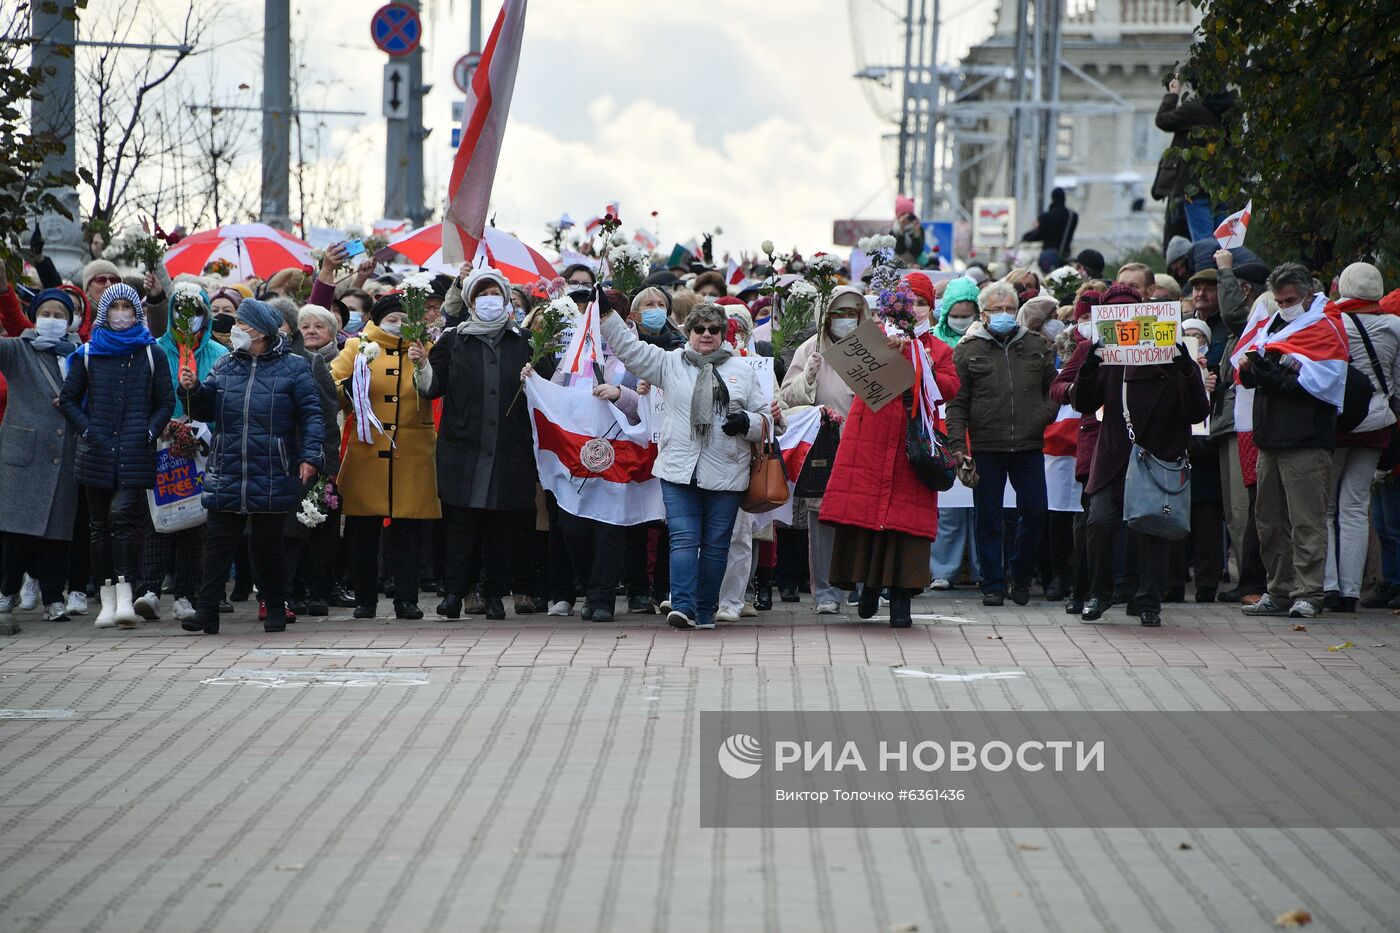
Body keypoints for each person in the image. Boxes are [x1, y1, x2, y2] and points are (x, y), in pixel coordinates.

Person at [599, 298, 768, 630]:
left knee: (717, 544)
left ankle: (706, 611)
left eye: (714, 329)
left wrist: (746, 422)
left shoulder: (742, 371)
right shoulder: (669, 363)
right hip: (679, 468)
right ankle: (684, 606)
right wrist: (607, 315)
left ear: (723, 334)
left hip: (727, 471)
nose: (706, 334)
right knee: (684, 538)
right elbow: (630, 350)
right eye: (699, 329)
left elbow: (766, 421)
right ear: (688, 332)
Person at [176, 298, 323, 635]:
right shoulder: (226, 365)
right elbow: (204, 409)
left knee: (268, 543)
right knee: (217, 542)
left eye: (243, 324)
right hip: (228, 465)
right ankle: (206, 611)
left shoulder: (294, 367)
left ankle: (274, 607)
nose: (236, 330)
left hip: (272, 465)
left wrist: (310, 456)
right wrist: (192, 388)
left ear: (260, 332)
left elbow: (312, 415)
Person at [1071, 282, 1211, 626]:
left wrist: (1185, 367)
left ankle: (1148, 601)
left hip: (1159, 453)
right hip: (1114, 455)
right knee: (1100, 522)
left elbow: (1197, 411)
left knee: (1153, 528)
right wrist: (1090, 363)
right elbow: (1083, 402)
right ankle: (1099, 594)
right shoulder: (1108, 358)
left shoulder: (1171, 354)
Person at [819, 311, 960, 627]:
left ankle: (900, 600)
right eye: (913, 305)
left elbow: (949, 387)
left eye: (924, 303)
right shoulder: (876, 339)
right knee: (867, 517)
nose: (918, 311)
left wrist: (925, 364)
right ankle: (867, 586)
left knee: (905, 524)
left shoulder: (938, 348)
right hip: (870, 438)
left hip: (914, 445)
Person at [416, 267, 538, 621]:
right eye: (482, 294)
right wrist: (422, 364)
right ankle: (455, 592)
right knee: (461, 526)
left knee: (501, 527)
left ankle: (495, 594)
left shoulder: (524, 339)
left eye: (495, 293)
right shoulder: (453, 340)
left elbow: (547, 387)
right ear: (470, 300)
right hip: (463, 448)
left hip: (508, 448)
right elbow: (432, 387)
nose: (489, 300)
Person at [58, 284, 175, 628]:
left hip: (135, 450)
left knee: (123, 518)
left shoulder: (152, 353)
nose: (121, 313)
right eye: (115, 307)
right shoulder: (89, 353)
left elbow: (165, 401)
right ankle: (106, 598)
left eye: (127, 306)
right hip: (96, 452)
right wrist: (89, 430)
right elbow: (68, 399)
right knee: (98, 527)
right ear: (105, 312)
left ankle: (126, 593)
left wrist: (150, 430)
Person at [1237, 263, 1348, 620]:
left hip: (1307, 437)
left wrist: (1280, 378)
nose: (1285, 305)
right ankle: (1279, 589)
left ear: (1308, 293)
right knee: (1268, 520)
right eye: (1280, 300)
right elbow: (1255, 369)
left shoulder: (1325, 324)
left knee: (1306, 520)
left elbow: (1326, 380)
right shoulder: (1273, 325)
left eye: (1291, 299)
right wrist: (1256, 371)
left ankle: (1309, 592)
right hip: (1270, 435)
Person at [944, 281, 1058, 606]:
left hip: (1028, 445)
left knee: (1035, 512)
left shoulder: (1036, 344)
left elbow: (1055, 386)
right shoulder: (967, 350)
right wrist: (957, 447)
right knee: (988, 517)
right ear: (984, 314)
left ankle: (1019, 577)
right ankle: (992, 583)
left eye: (1010, 308)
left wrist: (1043, 415)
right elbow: (957, 402)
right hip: (986, 446)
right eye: (998, 310)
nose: (1005, 314)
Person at [331, 292, 440, 620]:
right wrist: (352, 386)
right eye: (392, 319)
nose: (398, 325)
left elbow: (433, 389)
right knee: (364, 532)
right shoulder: (357, 347)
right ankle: (365, 600)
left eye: (405, 320)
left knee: (408, 532)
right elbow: (332, 383)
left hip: (412, 451)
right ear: (378, 320)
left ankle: (406, 599)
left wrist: (423, 363)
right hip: (367, 452)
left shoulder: (423, 347)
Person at [136, 284, 230, 623]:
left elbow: (223, 399)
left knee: (194, 521)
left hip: (203, 445)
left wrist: (202, 428)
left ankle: (186, 595)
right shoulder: (156, 350)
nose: (186, 317)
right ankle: (149, 589)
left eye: (196, 310)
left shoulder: (219, 354)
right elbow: (146, 394)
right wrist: (162, 423)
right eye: (181, 309)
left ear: (206, 314)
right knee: (157, 517)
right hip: (161, 441)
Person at [778, 286, 868, 614]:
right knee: (823, 520)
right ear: (825, 317)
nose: (845, 321)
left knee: (863, 519)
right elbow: (787, 398)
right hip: (825, 445)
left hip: (863, 445)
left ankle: (862, 586)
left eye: (852, 314)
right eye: (838, 314)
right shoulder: (809, 349)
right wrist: (809, 376)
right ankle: (826, 592)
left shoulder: (871, 349)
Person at [0, 288, 81, 621]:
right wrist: (5, 293)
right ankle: (6, 592)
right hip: (25, 454)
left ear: (71, 320)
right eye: (46, 313)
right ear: (35, 316)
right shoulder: (19, 349)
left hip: (63, 454)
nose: (52, 320)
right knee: (15, 533)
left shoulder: (79, 354)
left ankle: (53, 598)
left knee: (57, 535)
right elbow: (8, 320)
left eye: (59, 315)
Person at [1324, 263, 1400, 612]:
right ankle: (1351, 593)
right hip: (1377, 423)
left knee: (1325, 508)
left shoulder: (1331, 322)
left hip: (1337, 423)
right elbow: (1397, 386)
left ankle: (1327, 586)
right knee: (1355, 506)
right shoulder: (1394, 326)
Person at [1211, 253, 1271, 604]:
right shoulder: (1247, 326)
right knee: (1234, 508)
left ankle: (1254, 581)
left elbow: (1233, 314)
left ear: (1244, 289)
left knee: (1244, 507)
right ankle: (1249, 579)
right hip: (1230, 421)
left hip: (1245, 425)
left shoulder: (1252, 319)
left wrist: (1224, 269)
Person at [927, 276, 982, 590]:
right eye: (955, 314)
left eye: (967, 314)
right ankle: (942, 571)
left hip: (980, 431)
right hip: (946, 429)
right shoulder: (935, 342)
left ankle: (980, 569)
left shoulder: (983, 340)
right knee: (948, 509)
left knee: (979, 506)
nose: (961, 320)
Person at [1154, 74, 1236, 242]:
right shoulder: (1232, 112)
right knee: (1227, 243)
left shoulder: (1193, 111)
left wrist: (1173, 94)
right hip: (1224, 187)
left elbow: (1163, 120)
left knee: (1204, 243)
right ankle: (1227, 268)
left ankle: (1207, 268)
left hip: (1195, 189)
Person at [1021, 188, 1078, 273]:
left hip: (1048, 255)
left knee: (1049, 280)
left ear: (1052, 198)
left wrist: (1026, 236)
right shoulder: (1072, 216)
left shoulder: (1046, 216)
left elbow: (1039, 235)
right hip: (1065, 255)